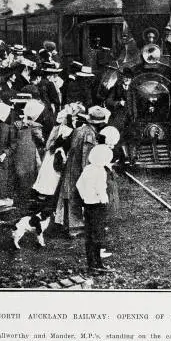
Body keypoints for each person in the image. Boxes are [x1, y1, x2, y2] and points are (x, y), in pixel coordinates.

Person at [57, 105, 110, 236]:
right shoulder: (89, 135)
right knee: (75, 196)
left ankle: (69, 225)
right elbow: (86, 157)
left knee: (70, 195)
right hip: (78, 170)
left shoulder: (79, 130)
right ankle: (75, 227)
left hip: (71, 166)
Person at [75, 144, 115, 273]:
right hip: (97, 206)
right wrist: (104, 200)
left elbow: (79, 184)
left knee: (89, 235)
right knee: (98, 234)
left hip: (87, 205)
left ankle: (91, 264)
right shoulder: (100, 171)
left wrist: (85, 198)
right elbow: (100, 189)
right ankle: (98, 264)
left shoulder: (88, 168)